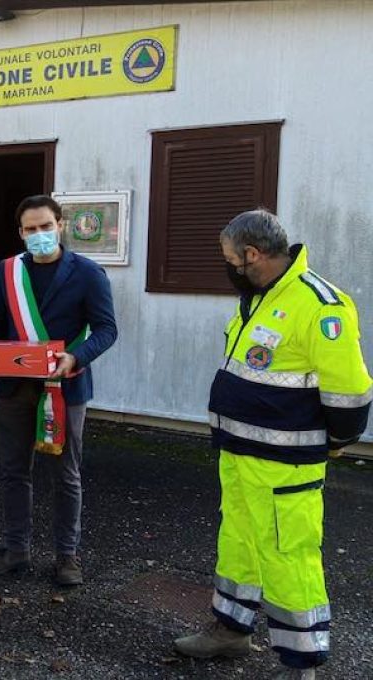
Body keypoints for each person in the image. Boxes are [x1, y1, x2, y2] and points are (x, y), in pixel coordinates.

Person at [174, 210, 371, 680]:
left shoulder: (321, 305)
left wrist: (338, 441)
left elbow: (349, 391)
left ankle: (300, 663)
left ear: (253, 254)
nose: (229, 268)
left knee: (289, 558)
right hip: (238, 456)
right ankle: (231, 630)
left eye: (230, 260)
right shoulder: (257, 297)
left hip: (286, 465)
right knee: (237, 544)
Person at [0, 194, 117, 584]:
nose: (39, 234)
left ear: (60, 225)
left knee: (66, 474)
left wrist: (77, 357)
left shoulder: (88, 273)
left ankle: (66, 556)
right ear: (20, 233)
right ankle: (16, 549)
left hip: (65, 387)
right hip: (14, 387)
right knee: (13, 471)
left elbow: (107, 329)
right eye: (30, 229)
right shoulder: (7, 272)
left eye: (45, 226)